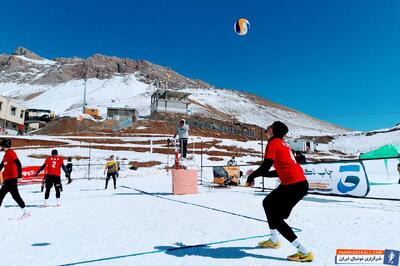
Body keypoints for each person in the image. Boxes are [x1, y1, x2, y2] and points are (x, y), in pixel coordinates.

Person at [246, 121, 313, 262]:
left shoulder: (273, 142)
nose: (267, 127)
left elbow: (265, 166)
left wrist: (252, 176)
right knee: (268, 202)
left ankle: (304, 251)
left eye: (270, 126)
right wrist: (258, 174)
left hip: (294, 185)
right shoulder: (283, 144)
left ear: (274, 130)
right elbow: (279, 171)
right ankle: (274, 240)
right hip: (294, 183)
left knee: (276, 218)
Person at [0, 138, 29, 218]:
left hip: (12, 179)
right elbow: (1, 166)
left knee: (15, 196)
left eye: (1, 146)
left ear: (4, 146)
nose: (1, 147)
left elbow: (18, 164)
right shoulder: (5, 155)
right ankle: (26, 212)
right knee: (2, 195)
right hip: (7, 179)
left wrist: (19, 176)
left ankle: (26, 212)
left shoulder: (11, 153)